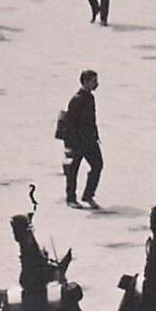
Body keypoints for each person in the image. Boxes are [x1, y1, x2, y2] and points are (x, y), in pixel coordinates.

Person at [61, 70, 104, 209]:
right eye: (94, 81)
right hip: (77, 142)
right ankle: (70, 199)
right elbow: (70, 124)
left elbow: (91, 120)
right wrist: (70, 144)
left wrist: (95, 136)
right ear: (85, 82)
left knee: (98, 165)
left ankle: (88, 195)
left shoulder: (90, 98)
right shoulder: (76, 99)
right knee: (73, 170)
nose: (96, 84)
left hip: (90, 140)